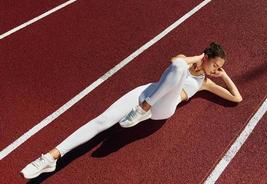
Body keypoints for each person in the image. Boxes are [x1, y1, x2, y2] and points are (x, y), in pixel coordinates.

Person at [20, 42, 242, 179]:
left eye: (218, 68)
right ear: (205, 57)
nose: (216, 70)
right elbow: (176, 61)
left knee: (179, 70)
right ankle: (50, 158)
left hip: (162, 108)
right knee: (102, 120)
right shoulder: (187, 60)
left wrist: (223, 75)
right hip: (146, 93)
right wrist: (199, 59)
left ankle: (144, 109)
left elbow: (236, 98)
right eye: (215, 65)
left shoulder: (205, 82)